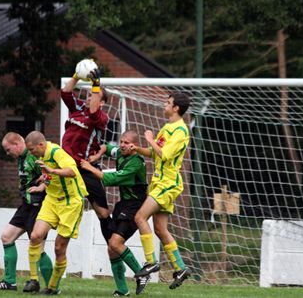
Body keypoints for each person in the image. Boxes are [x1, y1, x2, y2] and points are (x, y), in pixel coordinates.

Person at [130, 92, 193, 289]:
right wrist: (138, 148)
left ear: (176, 108)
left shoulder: (181, 131)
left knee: (140, 217)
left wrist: (150, 139)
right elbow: (154, 154)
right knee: (160, 229)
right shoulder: (167, 127)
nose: (164, 105)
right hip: (159, 182)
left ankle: (151, 262)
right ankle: (180, 268)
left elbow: (164, 154)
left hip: (168, 183)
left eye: (168, 103)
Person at [81, 130, 150, 296]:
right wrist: (98, 155)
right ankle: (122, 290)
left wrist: (89, 166)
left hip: (135, 207)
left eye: (126, 143)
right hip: (123, 206)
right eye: (121, 141)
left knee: (115, 244)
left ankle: (142, 273)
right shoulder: (120, 152)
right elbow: (106, 147)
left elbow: (110, 179)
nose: (122, 145)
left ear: (134, 146)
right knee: (112, 249)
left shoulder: (136, 163)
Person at [25, 130, 88, 295]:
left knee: (59, 248)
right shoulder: (40, 156)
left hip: (70, 203)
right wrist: (43, 182)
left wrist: (51, 171)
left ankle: (52, 287)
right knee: (35, 236)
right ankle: (33, 280)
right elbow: (50, 175)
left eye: (31, 149)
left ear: (41, 145)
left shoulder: (56, 152)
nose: (30, 153)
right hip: (52, 200)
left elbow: (72, 171)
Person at [0, 132, 52, 292]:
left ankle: (52, 286)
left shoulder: (34, 156)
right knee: (6, 237)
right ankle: (10, 282)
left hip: (38, 206)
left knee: (38, 246)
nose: (7, 153)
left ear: (17, 144)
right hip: (25, 206)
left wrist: (41, 187)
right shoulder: (21, 158)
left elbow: (50, 174)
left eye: (8, 149)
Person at [61, 64, 113, 243]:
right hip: (67, 166)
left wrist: (96, 84)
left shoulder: (101, 117)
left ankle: (114, 248)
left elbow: (93, 112)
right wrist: (76, 75)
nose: (90, 97)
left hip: (86, 168)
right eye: (90, 94)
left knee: (103, 213)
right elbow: (65, 93)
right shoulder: (77, 108)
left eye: (95, 95)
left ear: (102, 102)